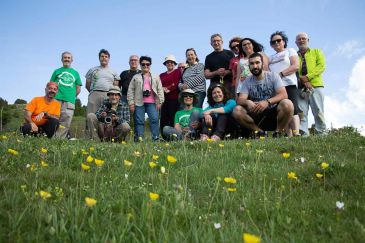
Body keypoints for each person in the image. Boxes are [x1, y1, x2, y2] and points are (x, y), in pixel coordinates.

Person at [233, 53, 294, 138]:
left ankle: (278, 133)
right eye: (252, 64)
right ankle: (259, 133)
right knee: (237, 110)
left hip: (273, 111)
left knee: (287, 104)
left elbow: (283, 95)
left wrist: (267, 102)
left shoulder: (273, 76)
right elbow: (240, 100)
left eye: (257, 63)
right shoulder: (247, 81)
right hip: (256, 112)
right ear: (249, 66)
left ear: (263, 64)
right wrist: (247, 102)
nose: (255, 66)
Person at [269, 31, 300, 137]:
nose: (276, 43)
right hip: (277, 87)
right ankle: (288, 135)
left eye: (279, 40)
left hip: (289, 84)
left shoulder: (290, 51)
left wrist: (281, 74)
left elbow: (295, 66)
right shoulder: (271, 57)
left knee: (293, 109)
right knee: (283, 110)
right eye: (273, 42)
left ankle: (296, 133)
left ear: (284, 41)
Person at [295, 32, 326, 136]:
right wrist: (303, 80)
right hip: (300, 88)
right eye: (299, 39)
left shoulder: (317, 52)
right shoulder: (294, 55)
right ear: (296, 42)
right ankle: (304, 134)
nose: (301, 40)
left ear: (308, 40)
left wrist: (307, 77)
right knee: (301, 112)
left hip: (316, 86)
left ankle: (321, 134)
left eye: (303, 38)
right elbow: (294, 70)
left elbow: (321, 66)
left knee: (318, 111)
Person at [127, 56, 164, 141]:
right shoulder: (136, 77)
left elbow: (160, 89)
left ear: (150, 65)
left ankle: (156, 138)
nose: (145, 66)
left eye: (147, 64)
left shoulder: (155, 76)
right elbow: (130, 91)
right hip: (139, 102)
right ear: (140, 65)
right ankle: (139, 139)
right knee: (139, 121)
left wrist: (160, 102)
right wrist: (131, 103)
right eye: (143, 64)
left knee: (154, 119)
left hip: (152, 102)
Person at [49, 51, 82, 139]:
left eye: (68, 58)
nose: (66, 59)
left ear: (72, 60)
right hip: (56, 99)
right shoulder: (56, 71)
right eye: (65, 57)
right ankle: (49, 137)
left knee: (66, 122)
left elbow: (78, 88)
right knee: (53, 119)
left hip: (69, 101)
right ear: (62, 59)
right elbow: (51, 85)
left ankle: (57, 140)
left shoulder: (75, 73)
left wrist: (71, 96)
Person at [85, 49, 120, 115]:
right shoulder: (92, 70)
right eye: (102, 56)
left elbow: (115, 86)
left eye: (106, 56)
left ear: (108, 59)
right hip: (94, 94)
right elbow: (87, 85)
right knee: (91, 115)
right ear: (99, 58)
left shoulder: (114, 72)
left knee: (106, 115)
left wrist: (111, 96)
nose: (104, 58)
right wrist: (93, 92)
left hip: (108, 95)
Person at [159, 55, 182, 137]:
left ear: (174, 63)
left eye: (171, 62)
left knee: (173, 117)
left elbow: (175, 84)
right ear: (165, 64)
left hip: (174, 99)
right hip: (164, 100)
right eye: (168, 62)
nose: (170, 64)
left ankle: (173, 136)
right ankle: (163, 136)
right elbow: (159, 85)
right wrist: (163, 88)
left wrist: (165, 89)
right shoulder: (161, 75)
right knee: (163, 117)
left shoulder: (177, 71)